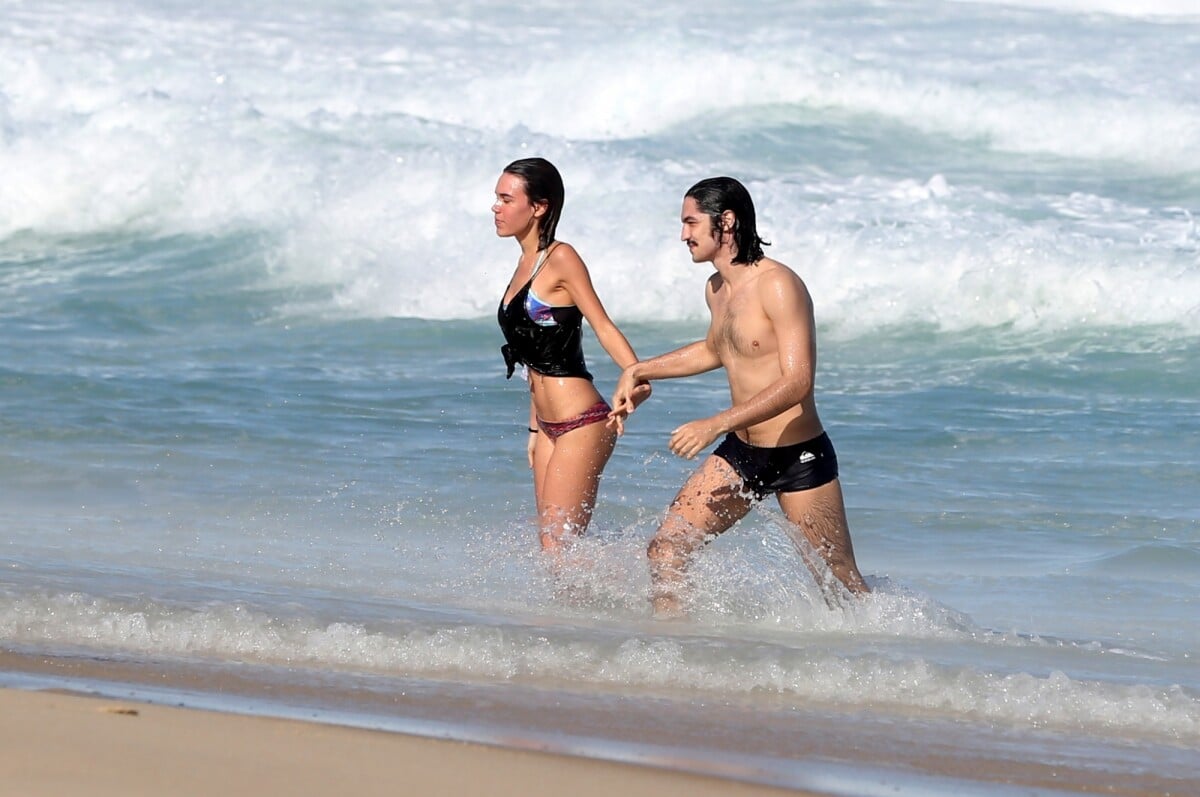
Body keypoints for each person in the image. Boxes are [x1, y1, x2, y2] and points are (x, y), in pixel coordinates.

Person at [610, 176, 869, 615]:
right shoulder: (717, 289)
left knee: (842, 587)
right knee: (667, 550)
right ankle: (672, 660)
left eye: (691, 222)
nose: (683, 235)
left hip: (797, 457)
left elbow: (798, 381)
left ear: (725, 221)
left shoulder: (778, 285)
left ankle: (889, 666)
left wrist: (716, 423)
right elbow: (717, 348)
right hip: (742, 453)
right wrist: (639, 369)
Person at [494, 157, 649, 553]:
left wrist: (636, 376)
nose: (496, 207)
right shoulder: (522, 264)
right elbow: (535, 360)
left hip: (582, 423)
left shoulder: (561, 258)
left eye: (506, 199)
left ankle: (637, 600)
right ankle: (579, 616)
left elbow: (602, 324)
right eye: (497, 198)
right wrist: (533, 429)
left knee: (560, 549)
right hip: (547, 427)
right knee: (552, 551)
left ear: (539, 207)